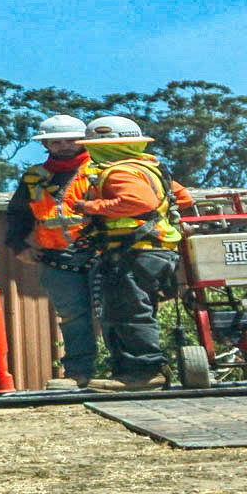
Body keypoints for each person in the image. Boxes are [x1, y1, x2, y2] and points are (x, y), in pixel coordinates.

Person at [65, 114, 185, 390]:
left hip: (133, 251)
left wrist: (91, 207)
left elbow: (138, 201)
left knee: (128, 310)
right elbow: (183, 198)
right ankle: (135, 369)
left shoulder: (118, 171)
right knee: (136, 308)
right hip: (158, 251)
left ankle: (143, 372)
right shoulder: (151, 168)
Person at [0, 114, 98, 389]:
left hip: (102, 254)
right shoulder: (34, 177)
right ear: (46, 144)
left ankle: (121, 373)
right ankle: (79, 374)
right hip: (56, 258)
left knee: (114, 313)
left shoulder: (103, 170)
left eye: (70, 140)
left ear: (84, 140)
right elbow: (18, 214)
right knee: (71, 316)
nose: (64, 146)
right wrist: (18, 245)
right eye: (56, 142)